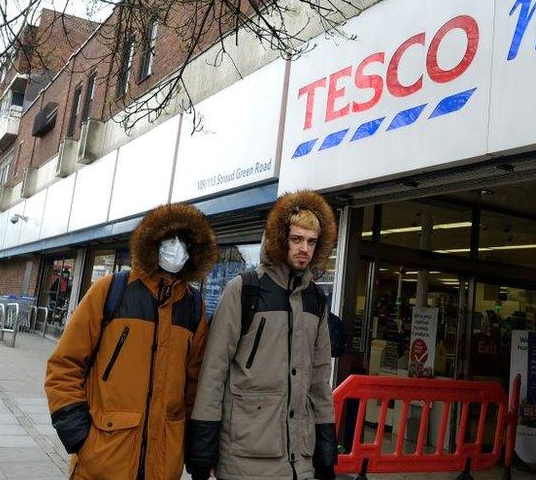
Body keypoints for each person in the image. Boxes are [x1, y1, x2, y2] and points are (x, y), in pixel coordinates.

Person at [45, 203, 218, 479]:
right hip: (104, 457)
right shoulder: (111, 290)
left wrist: (195, 447)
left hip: (163, 463)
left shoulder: (193, 306)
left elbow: (194, 386)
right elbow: (63, 366)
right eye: (169, 239)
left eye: (184, 242)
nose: (176, 248)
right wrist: (79, 435)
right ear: (152, 242)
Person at [186, 190, 338, 480]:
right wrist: (202, 451)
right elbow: (214, 372)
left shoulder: (315, 300)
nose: (304, 248)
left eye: (311, 241)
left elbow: (319, 380)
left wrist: (326, 455)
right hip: (246, 455)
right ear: (281, 239)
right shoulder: (243, 290)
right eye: (296, 239)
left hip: (299, 459)